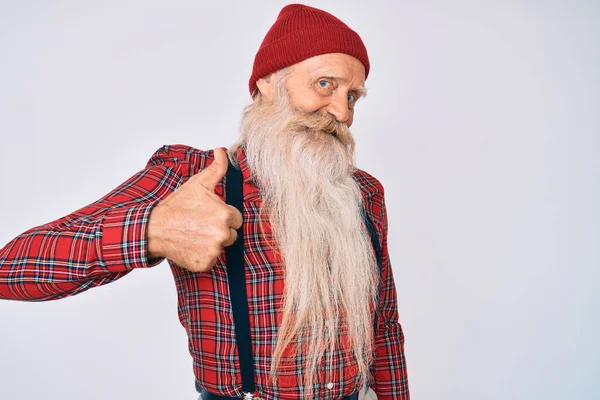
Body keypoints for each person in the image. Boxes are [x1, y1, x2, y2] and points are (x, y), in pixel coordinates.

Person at [0, 4, 409, 400]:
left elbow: (384, 327)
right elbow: (11, 268)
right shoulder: (193, 176)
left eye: (353, 96)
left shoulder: (364, 193)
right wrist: (151, 231)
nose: (341, 111)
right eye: (325, 84)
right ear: (267, 83)